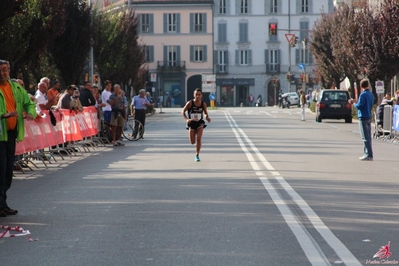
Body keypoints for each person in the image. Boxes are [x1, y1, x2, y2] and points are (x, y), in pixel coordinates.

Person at [0, 59, 37, 217]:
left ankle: (3, 203)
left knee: (8, 171)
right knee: (1, 170)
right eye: (0, 70)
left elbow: (29, 103)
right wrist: (5, 115)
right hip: (0, 135)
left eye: (5, 70)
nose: (3, 73)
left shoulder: (16, 87)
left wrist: (31, 113)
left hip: (11, 134)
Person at [182, 88, 211, 162]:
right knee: (192, 142)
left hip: (199, 122)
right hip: (191, 123)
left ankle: (197, 155)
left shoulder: (203, 104)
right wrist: (187, 119)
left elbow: (205, 113)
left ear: (201, 95)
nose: (197, 96)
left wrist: (207, 117)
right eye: (196, 94)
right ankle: (193, 133)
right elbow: (183, 111)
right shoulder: (190, 103)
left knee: (199, 139)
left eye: (199, 94)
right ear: (194, 95)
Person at [349, 79, 374, 161]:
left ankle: (368, 154)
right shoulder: (370, 94)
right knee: (368, 136)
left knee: (365, 137)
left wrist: (354, 104)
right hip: (369, 116)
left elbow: (360, 105)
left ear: (361, 86)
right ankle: (367, 152)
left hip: (363, 116)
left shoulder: (363, 95)